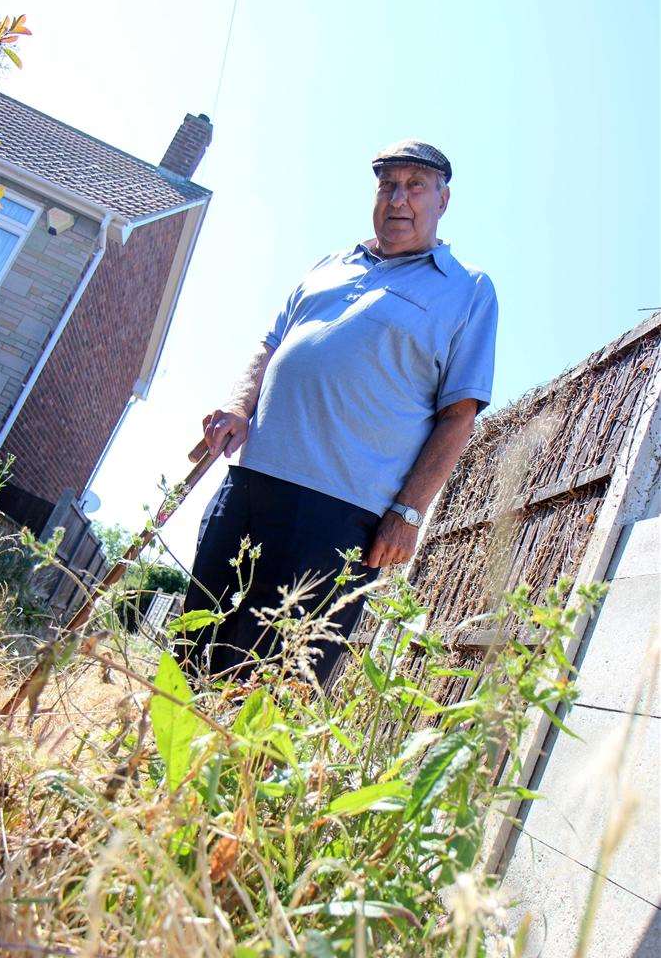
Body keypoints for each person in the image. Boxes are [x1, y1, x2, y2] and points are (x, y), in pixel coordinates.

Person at [178, 139, 499, 684]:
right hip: (251, 482)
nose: (398, 198)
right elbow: (271, 342)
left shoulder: (468, 291)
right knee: (195, 643)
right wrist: (238, 405)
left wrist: (409, 513)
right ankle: (168, 765)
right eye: (387, 185)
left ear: (443, 201)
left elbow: (459, 415)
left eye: (415, 186)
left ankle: (244, 772)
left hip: (342, 511)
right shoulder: (330, 264)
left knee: (278, 677)